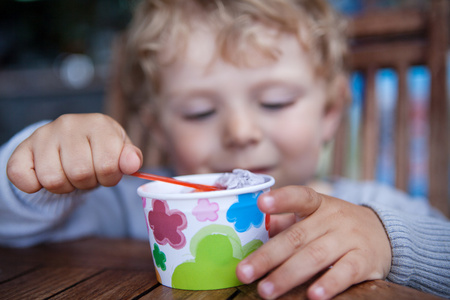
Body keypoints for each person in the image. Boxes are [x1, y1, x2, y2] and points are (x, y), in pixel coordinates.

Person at [1, 0, 449, 299]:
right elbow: (13, 225)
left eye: (275, 101)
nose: (240, 131)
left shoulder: (369, 207)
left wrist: (389, 240)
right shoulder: (136, 206)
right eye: (198, 111)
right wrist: (44, 166)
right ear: (159, 125)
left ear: (331, 110)